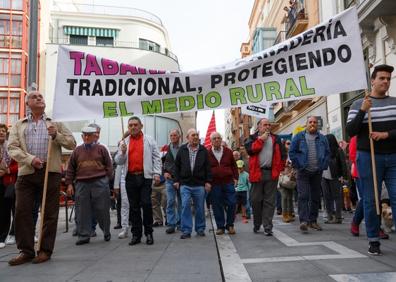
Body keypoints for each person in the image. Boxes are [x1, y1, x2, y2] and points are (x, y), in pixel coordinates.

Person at [7, 90, 76, 265]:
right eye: (34, 97)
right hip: (27, 172)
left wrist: (56, 135)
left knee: (49, 213)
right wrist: (31, 159)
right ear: (27, 103)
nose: (39, 98)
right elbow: (12, 148)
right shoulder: (19, 125)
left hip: (50, 172)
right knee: (22, 212)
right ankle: (26, 250)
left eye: (41, 97)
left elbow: (72, 143)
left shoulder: (55, 122)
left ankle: (45, 250)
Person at [346, 64, 396, 255]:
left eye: (388, 78)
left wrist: (386, 134)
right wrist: (362, 111)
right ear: (372, 80)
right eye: (381, 78)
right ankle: (373, 240)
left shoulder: (394, 102)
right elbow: (351, 131)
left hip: (393, 157)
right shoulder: (359, 104)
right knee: (371, 200)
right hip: (368, 157)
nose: (385, 81)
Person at [114, 116, 161, 246]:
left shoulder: (149, 140)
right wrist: (122, 153)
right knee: (133, 207)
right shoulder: (124, 142)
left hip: (145, 177)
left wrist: (157, 173)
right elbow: (118, 161)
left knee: (146, 204)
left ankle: (149, 232)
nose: (133, 127)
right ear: (128, 128)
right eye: (130, 125)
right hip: (130, 177)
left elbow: (156, 157)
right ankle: (136, 234)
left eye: (135, 124)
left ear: (141, 126)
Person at [65, 126, 113, 245]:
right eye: (84, 135)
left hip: (100, 182)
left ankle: (106, 231)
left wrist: (106, 179)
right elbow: (70, 168)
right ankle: (84, 235)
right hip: (81, 183)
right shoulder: (77, 151)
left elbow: (109, 166)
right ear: (82, 136)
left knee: (102, 209)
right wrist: (69, 184)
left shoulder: (101, 149)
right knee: (82, 210)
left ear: (94, 136)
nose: (86, 137)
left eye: (89, 135)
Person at [244, 118, 286, 236]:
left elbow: (283, 155)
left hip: (271, 173)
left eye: (269, 125)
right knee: (255, 200)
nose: (267, 127)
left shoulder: (276, 138)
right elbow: (250, 150)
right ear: (259, 127)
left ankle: (268, 226)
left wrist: (279, 169)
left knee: (270, 201)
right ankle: (257, 223)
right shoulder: (252, 138)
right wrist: (260, 140)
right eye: (264, 125)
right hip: (257, 173)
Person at [289, 116, 330, 234]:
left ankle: (313, 220)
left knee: (315, 197)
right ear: (306, 124)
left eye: (315, 122)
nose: (312, 124)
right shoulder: (299, 137)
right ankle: (303, 221)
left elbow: (328, 153)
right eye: (310, 122)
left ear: (317, 125)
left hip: (317, 171)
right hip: (303, 171)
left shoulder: (322, 138)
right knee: (303, 195)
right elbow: (292, 152)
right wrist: (298, 165)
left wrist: (323, 165)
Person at [174, 128, 212, 239]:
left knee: (200, 207)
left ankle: (200, 229)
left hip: (199, 184)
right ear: (187, 138)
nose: (195, 137)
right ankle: (186, 230)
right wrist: (176, 180)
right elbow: (177, 167)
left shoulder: (203, 150)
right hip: (185, 184)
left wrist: (208, 182)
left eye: (196, 135)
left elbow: (208, 168)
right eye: (193, 135)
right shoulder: (182, 150)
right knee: (185, 205)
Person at [208, 132, 238, 235]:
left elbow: (234, 166)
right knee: (217, 205)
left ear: (221, 140)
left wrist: (236, 178)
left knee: (232, 202)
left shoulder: (228, 152)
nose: (217, 140)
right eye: (214, 138)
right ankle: (220, 227)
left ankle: (230, 225)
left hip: (228, 182)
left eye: (218, 138)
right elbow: (205, 169)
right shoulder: (207, 153)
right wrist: (207, 182)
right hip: (215, 183)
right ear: (211, 141)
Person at [321, 134, 348, 224]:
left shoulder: (338, 151)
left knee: (337, 197)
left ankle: (338, 217)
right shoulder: (324, 150)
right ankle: (330, 216)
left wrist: (344, 176)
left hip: (335, 176)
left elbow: (343, 165)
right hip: (324, 176)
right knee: (326, 197)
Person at [0, 124, 17, 248]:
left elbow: (19, 164)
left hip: (10, 181)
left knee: (12, 208)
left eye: (3, 131)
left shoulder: (11, 147)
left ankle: (11, 234)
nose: (1, 132)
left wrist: (8, 171)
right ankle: (2, 235)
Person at [163, 129, 182, 234]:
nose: (173, 137)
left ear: (179, 137)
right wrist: (164, 172)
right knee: (170, 201)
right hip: (170, 179)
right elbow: (159, 161)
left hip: (181, 180)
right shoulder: (165, 148)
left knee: (181, 202)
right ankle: (171, 224)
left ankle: (180, 223)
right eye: (171, 135)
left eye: (175, 135)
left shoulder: (184, 148)